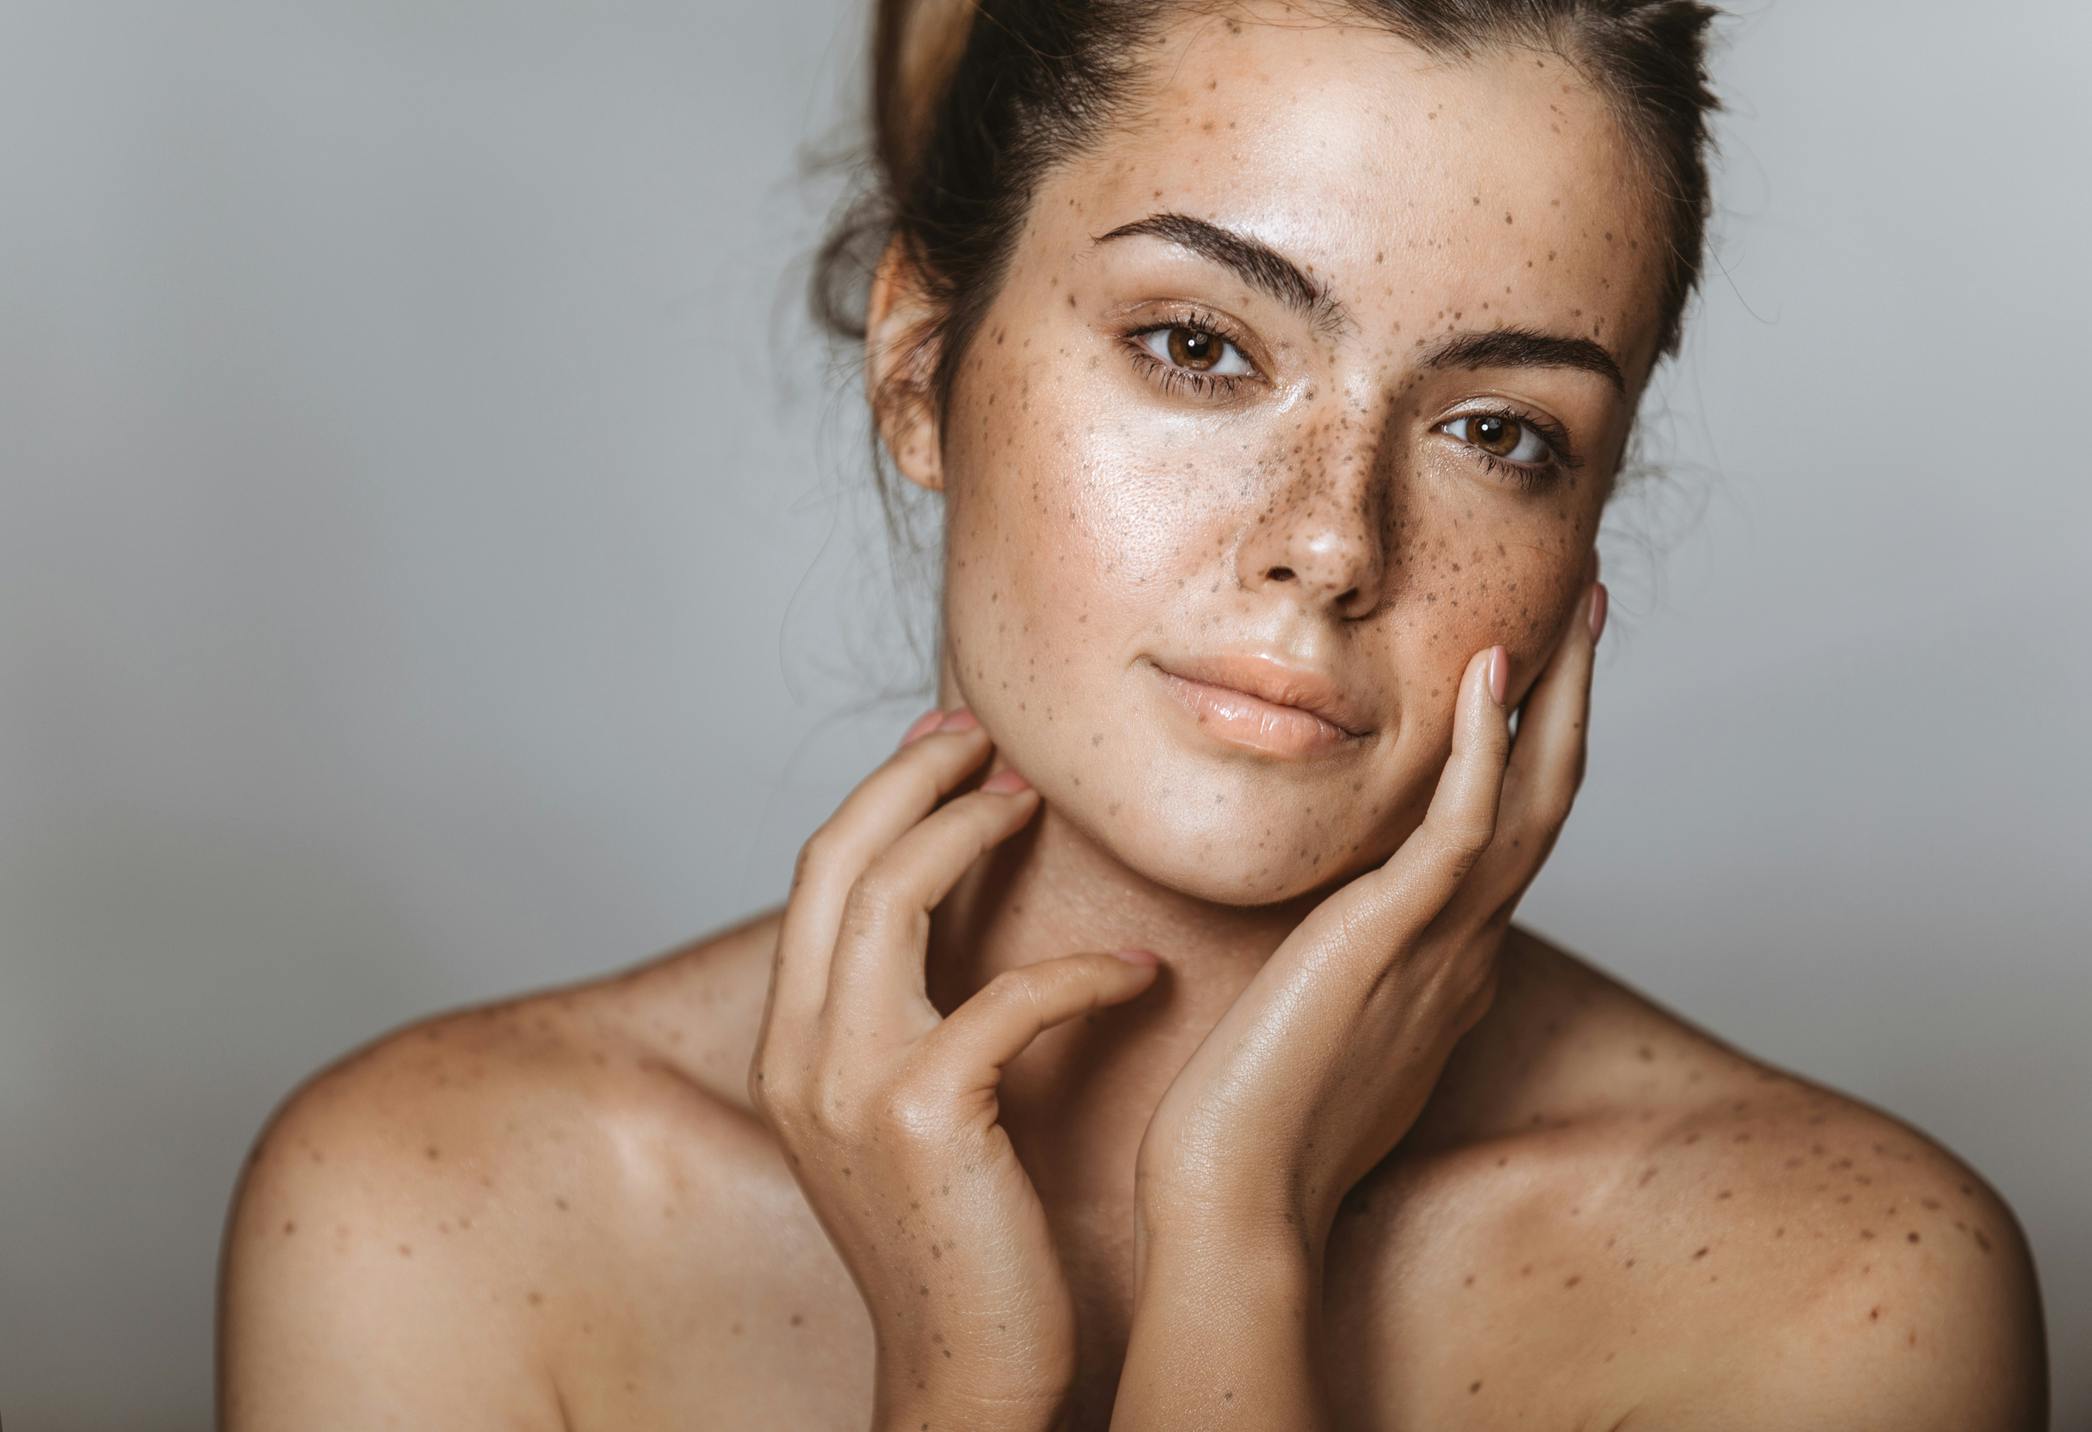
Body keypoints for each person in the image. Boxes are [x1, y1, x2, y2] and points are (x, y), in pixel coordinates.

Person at [216, 1, 2050, 1427]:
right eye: (1202, 347)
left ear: (1587, 538)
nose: (1333, 542)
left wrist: (1234, 1262)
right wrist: (966, 1399)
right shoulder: (429, 1218)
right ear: (923, 366)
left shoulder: (1838, 1287)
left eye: (1499, 431)